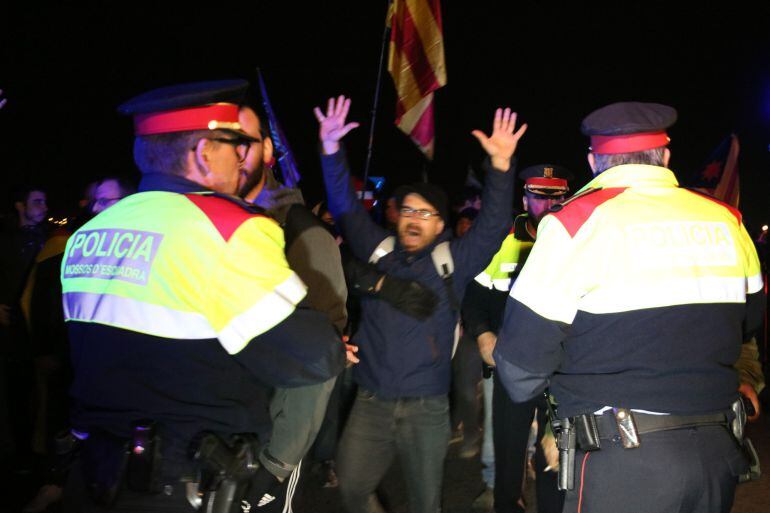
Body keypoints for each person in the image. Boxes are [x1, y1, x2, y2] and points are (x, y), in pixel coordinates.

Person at [60, 80, 346, 513]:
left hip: (96, 478)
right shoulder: (228, 229)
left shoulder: (89, 234)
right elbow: (313, 357)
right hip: (184, 482)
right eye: (234, 144)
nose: (242, 157)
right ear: (203, 152)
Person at [494, 101, 765, 513]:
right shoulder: (728, 220)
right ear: (665, 157)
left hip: (620, 461)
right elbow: (747, 324)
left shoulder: (574, 223)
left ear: (592, 160)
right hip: (716, 451)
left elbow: (518, 370)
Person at [315, 95, 526, 513]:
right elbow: (342, 206)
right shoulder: (378, 250)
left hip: (426, 409)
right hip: (371, 402)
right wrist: (330, 150)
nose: (414, 218)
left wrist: (501, 168)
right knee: (353, 487)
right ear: (397, 215)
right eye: (408, 209)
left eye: (426, 213)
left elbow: (493, 226)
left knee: (426, 503)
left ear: (442, 225)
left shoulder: (453, 262)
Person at [464, 164, 571, 513]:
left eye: (557, 196)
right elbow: (473, 298)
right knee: (508, 453)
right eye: (540, 196)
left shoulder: (580, 239)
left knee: (553, 456)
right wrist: (482, 335)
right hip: (511, 366)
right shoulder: (503, 239)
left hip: (560, 369)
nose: (550, 204)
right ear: (525, 198)